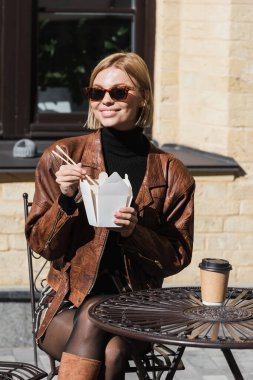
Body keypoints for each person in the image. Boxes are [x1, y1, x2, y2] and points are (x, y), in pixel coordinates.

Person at [25, 52, 195, 380]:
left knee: (112, 342)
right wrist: (66, 200)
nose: (105, 100)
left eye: (118, 92)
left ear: (142, 97)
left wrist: (136, 233)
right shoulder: (63, 158)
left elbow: (177, 256)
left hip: (137, 309)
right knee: (107, 342)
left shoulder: (171, 172)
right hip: (66, 303)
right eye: (96, 92)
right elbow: (42, 246)